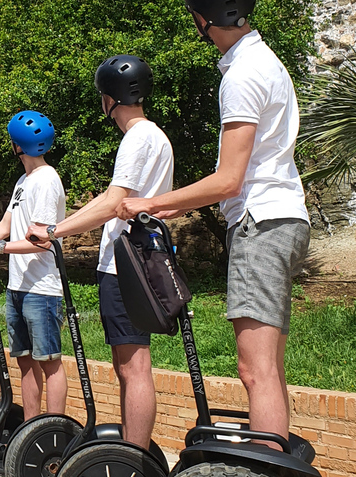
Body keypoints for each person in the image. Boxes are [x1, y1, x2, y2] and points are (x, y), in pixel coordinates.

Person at [117, 0, 310, 449]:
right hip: (285, 216)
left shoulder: (241, 75)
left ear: (204, 20)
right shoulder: (267, 62)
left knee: (254, 368)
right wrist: (175, 208)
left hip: (259, 222)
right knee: (270, 368)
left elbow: (229, 179)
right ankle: (275, 473)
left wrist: (154, 201)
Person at [27, 56, 173, 448]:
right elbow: (117, 201)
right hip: (138, 260)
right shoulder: (155, 137)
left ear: (109, 99)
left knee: (133, 366)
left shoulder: (137, 138)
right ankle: (132, 450)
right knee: (129, 365)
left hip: (127, 263)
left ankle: (133, 459)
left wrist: (56, 230)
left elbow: (113, 204)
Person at [0, 110, 67, 421]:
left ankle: (52, 428)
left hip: (42, 289)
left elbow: (42, 239)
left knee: (49, 361)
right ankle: (30, 428)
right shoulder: (24, 181)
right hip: (18, 287)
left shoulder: (47, 180)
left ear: (17, 145)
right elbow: (7, 223)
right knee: (26, 360)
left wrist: (0, 247)